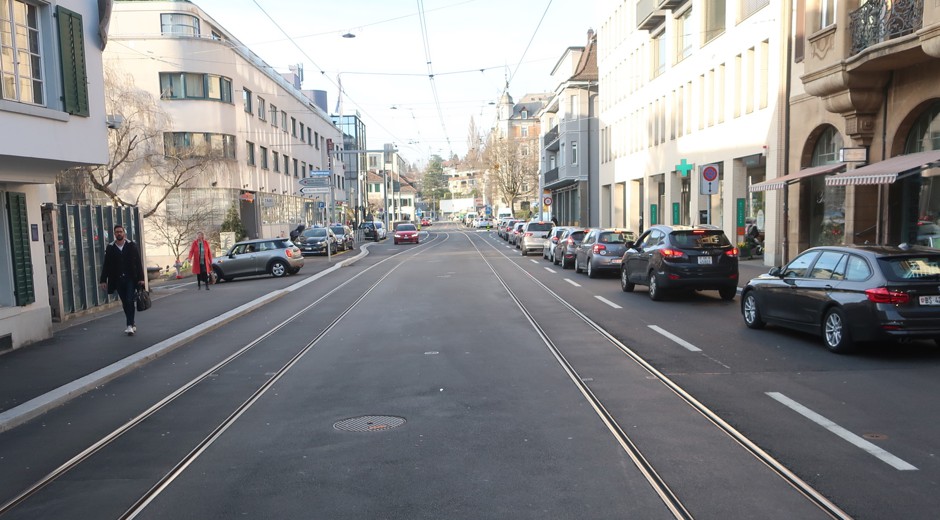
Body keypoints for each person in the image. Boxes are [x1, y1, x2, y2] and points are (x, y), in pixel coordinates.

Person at [99, 224, 145, 336]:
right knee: (125, 302)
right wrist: (103, 280)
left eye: (120, 231)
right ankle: (132, 323)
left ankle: (129, 325)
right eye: (117, 232)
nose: (119, 233)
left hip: (130, 278)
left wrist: (141, 278)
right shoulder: (110, 247)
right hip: (118, 279)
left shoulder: (131, 245)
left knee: (129, 300)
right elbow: (106, 265)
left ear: (124, 233)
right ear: (114, 234)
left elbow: (138, 262)